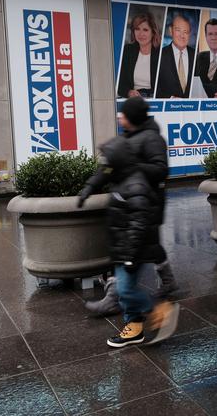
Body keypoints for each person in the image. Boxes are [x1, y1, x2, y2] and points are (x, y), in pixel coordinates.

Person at [78, 136, 179, 347]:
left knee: (125, 290)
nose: (105, 165)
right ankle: (134, 329)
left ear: (118, 162)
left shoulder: (135, 185)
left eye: (108, 160)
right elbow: (102, 174)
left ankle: (160, 310)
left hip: (134, 249)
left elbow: (139, 224)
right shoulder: (119, 174)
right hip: (122, 246)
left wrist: (131, 256)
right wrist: (87, 189)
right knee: (125, 291)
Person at [81, 97, 177, 316]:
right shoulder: (128, 137)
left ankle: (118, 298)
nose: (119, 116)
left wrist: (133, 167)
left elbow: (161, 170)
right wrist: (90, 186)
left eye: (123, 113)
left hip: (143, 203)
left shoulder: (151, 139)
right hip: (127, 203)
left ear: (132, 118)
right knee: (137, 247)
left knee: (136, 248)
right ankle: (158, 286)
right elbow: (109, 167)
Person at [117, 12, 162, 99]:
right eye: (137, 29)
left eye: (145, 30)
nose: (141, 34)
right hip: (133, 100)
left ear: (153, 32)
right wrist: (129, 92)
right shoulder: (127, 50)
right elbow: (120, 83)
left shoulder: (161, 53)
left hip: (155, 100)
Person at [156, 15, 195, 99]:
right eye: (178, 30)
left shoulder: (196, 56)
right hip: (168, 109)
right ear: (171, 31)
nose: (182, 35)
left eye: (186, 32)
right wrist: (170, 98)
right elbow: (154, 89)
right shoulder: (159, 56)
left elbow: (204, 82)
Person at [194, 18, 217, 98]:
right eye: (210, 34)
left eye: (216, 34)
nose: (213, 37)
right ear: (206, 37)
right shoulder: (198, 58)